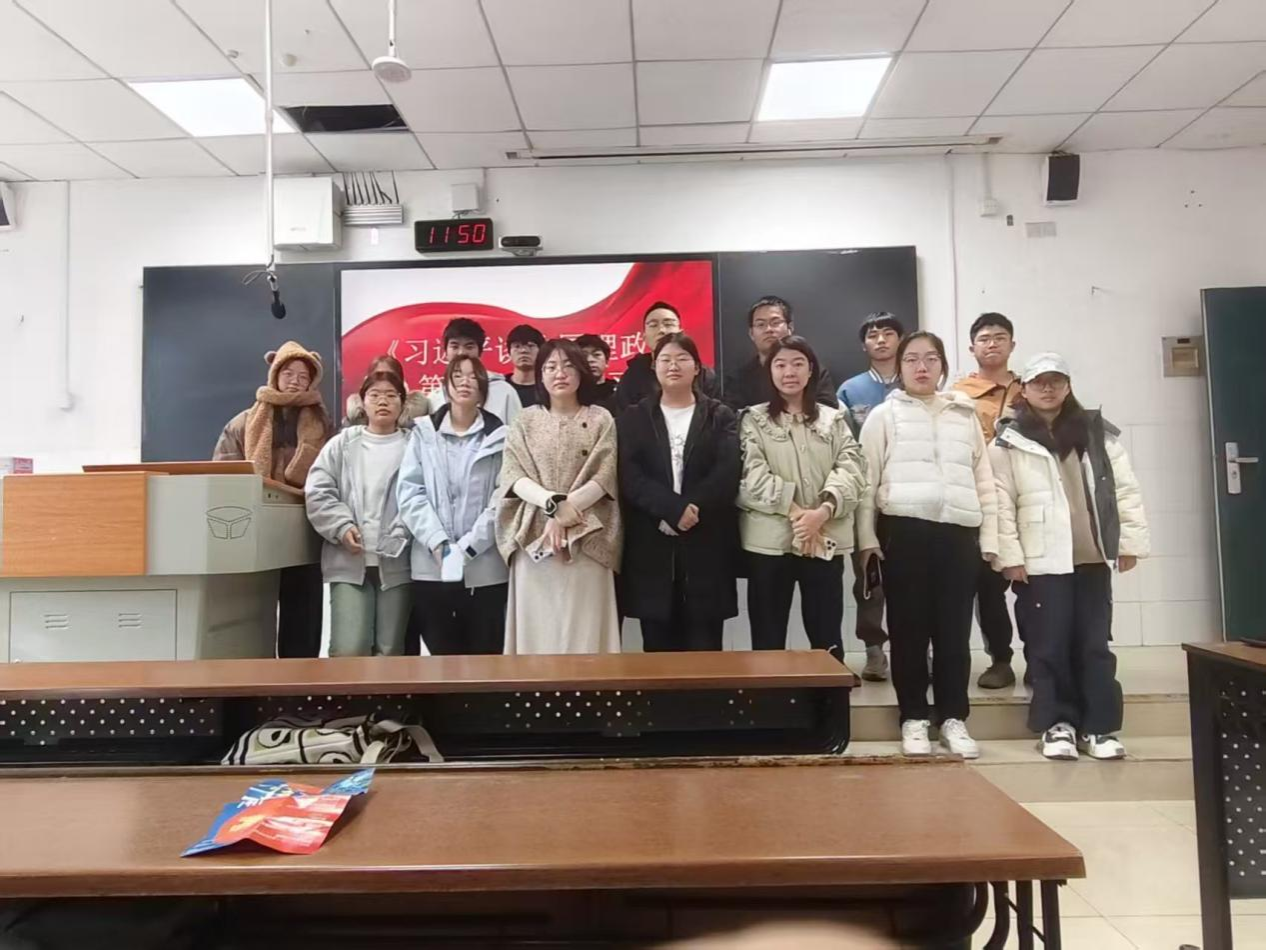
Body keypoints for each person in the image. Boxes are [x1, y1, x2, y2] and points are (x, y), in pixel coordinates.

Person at [991, 353, 1149, 761]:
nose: (1048, 389)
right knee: (1048, 645)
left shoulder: (1096, 433)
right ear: (1024, 389)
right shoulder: (1008, 440)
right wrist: (1009, 555)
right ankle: (1056, 724)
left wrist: (1128, 543)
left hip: (1091, 557)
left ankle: (1099, 727)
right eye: (1038, 382)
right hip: (1040, 561)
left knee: (1095, 644)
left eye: (1056, 381)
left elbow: (1123, 490)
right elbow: (1001, 504)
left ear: (1068, 386)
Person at [857, 330, 998, 759]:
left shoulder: (963, 415)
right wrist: (866, 540)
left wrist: (990, 538)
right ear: (899, 368)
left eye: (931, 359)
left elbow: (983, 479)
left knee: (954, 633)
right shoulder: (884, 415)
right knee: (909, 631)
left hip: (958, 534)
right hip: (904, 533)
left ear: (943, 366)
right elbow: (866, 482)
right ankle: (914, 717)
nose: (922, 367)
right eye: (912, 359)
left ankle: (953, 718)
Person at [737, 336, 866, 661]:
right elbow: (750, 476)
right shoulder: (752, 420)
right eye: (780, 365)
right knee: (767, 637)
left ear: (811, 371)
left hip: (823, 537)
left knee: (827, 635)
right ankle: (771, 694)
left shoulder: (834, 419)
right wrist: (797, 514)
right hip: (770, 544)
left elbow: (852, 470)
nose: (789, 372)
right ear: (770, 372)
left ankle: (826, 693)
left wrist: (821, 513)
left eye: (798, 364)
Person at [496, 339, 622, 654]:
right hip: (534, 537)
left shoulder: (601, 418)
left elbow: (605, 476)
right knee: (538, 631)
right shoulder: (525, 420)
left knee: (585, 631)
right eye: (550, 367)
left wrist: (567, 512)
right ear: (540, 375)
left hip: (588, 535)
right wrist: (552, 505)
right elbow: (513, 475)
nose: (560, 373)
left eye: (568, 365)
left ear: (581, 372)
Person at [618, 333, 740, 651]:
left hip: (706, 541)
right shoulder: (634, 417)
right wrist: (670, 509)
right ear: (654, 367)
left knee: (706, 648)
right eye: (666, 359)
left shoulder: (719, 415)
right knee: (657, 649)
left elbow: (727, 471)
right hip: (652, 543)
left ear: (697, 367)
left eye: (682, 358)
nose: (673, 366)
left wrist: (691, 507)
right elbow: (629, 474)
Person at [213, 340, 334, 658]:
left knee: (303, 617)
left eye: (303, 376)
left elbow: (335, 478)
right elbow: (223, 475)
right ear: (275, 374)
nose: (295, 381)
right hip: (253, 532)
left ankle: (301, 682)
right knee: (249, 616)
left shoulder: (324, 425)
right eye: (288, 373)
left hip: (304, 532)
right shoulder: (244, 422)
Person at [397, 355, 508, 656]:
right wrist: (439, 545)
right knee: (442, 659)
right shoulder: (423, 433)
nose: (465, 382)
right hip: (431, 567)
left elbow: (504, 498)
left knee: (486, 659)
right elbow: (410, 492)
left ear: (483, 388)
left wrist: (469, 548)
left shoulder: (502, 436)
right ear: (445, 386)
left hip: (486, 570)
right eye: (457, 375)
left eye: (473, 376)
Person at [304, 370, 412, 656]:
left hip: (398, 562)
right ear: (362, 402)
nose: (382, 401)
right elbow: (318, 490)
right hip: (349, 560)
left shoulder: (415, 446)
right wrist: (341, 527)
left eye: (391, 395)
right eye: (374, 395)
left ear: (402, 403)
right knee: (349, 649)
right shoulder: (342, 444)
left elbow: (424, 497)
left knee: (390, 649)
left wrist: (401, 531)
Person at [954, 312, 1024, 690]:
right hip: (975, 500)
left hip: (1023, 499)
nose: (992, 344)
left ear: (1012, 344)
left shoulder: (1030, 389)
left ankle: (1034, 659)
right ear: (972, 348)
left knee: (1028, 587)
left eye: (999, 337)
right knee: (984, 585)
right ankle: (995, 658)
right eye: (984, 338)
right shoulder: (957, 394)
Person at [835, 311, 906, 682]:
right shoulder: (849, 391)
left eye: (888, 333)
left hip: (909, 498)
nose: (880, 340)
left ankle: (917, 650)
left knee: (913, 581)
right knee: (869, 580)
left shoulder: (916, 383)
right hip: (865, 499)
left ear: (900, 340)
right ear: (864, 344)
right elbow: (843, 448)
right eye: (873, 335)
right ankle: (874, 651)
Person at [723, 295, 838, 411]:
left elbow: (828, 411)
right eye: (761, 324)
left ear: (790, 327)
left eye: (775, 322)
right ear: (751, 333)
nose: (768, 329)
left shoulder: (813, 370)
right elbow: (733, 417)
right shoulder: (739, 379)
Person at [616, 301, 720, 408]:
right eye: (653, 325)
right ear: (644, 337)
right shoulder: (633, 376)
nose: (661, 330)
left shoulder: (703, 375)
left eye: (668, 324)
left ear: (680, 333)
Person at [427, 318, 522, 425]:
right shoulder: (435, 397)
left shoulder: (504, 392)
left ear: (480, 351)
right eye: (454, 346)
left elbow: (519, 432)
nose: (461, 352)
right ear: (445, 351)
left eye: (469, 347)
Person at [342, 353, 428, 428]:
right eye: (378, 375)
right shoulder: (354, 419)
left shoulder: (418, 416)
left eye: (390, 376)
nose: (384, 379)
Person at [576, 332, 620, 412]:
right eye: (584, 356)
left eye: (596, 355)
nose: (590, 360)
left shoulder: (619, 392)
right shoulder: (572, 395)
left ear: (607, 361)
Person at [506, 324, 545, 408]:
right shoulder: (499, 386)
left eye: (530, 346)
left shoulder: (548, 387)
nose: (523, 350)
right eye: (517, 346)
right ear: (509, 353)